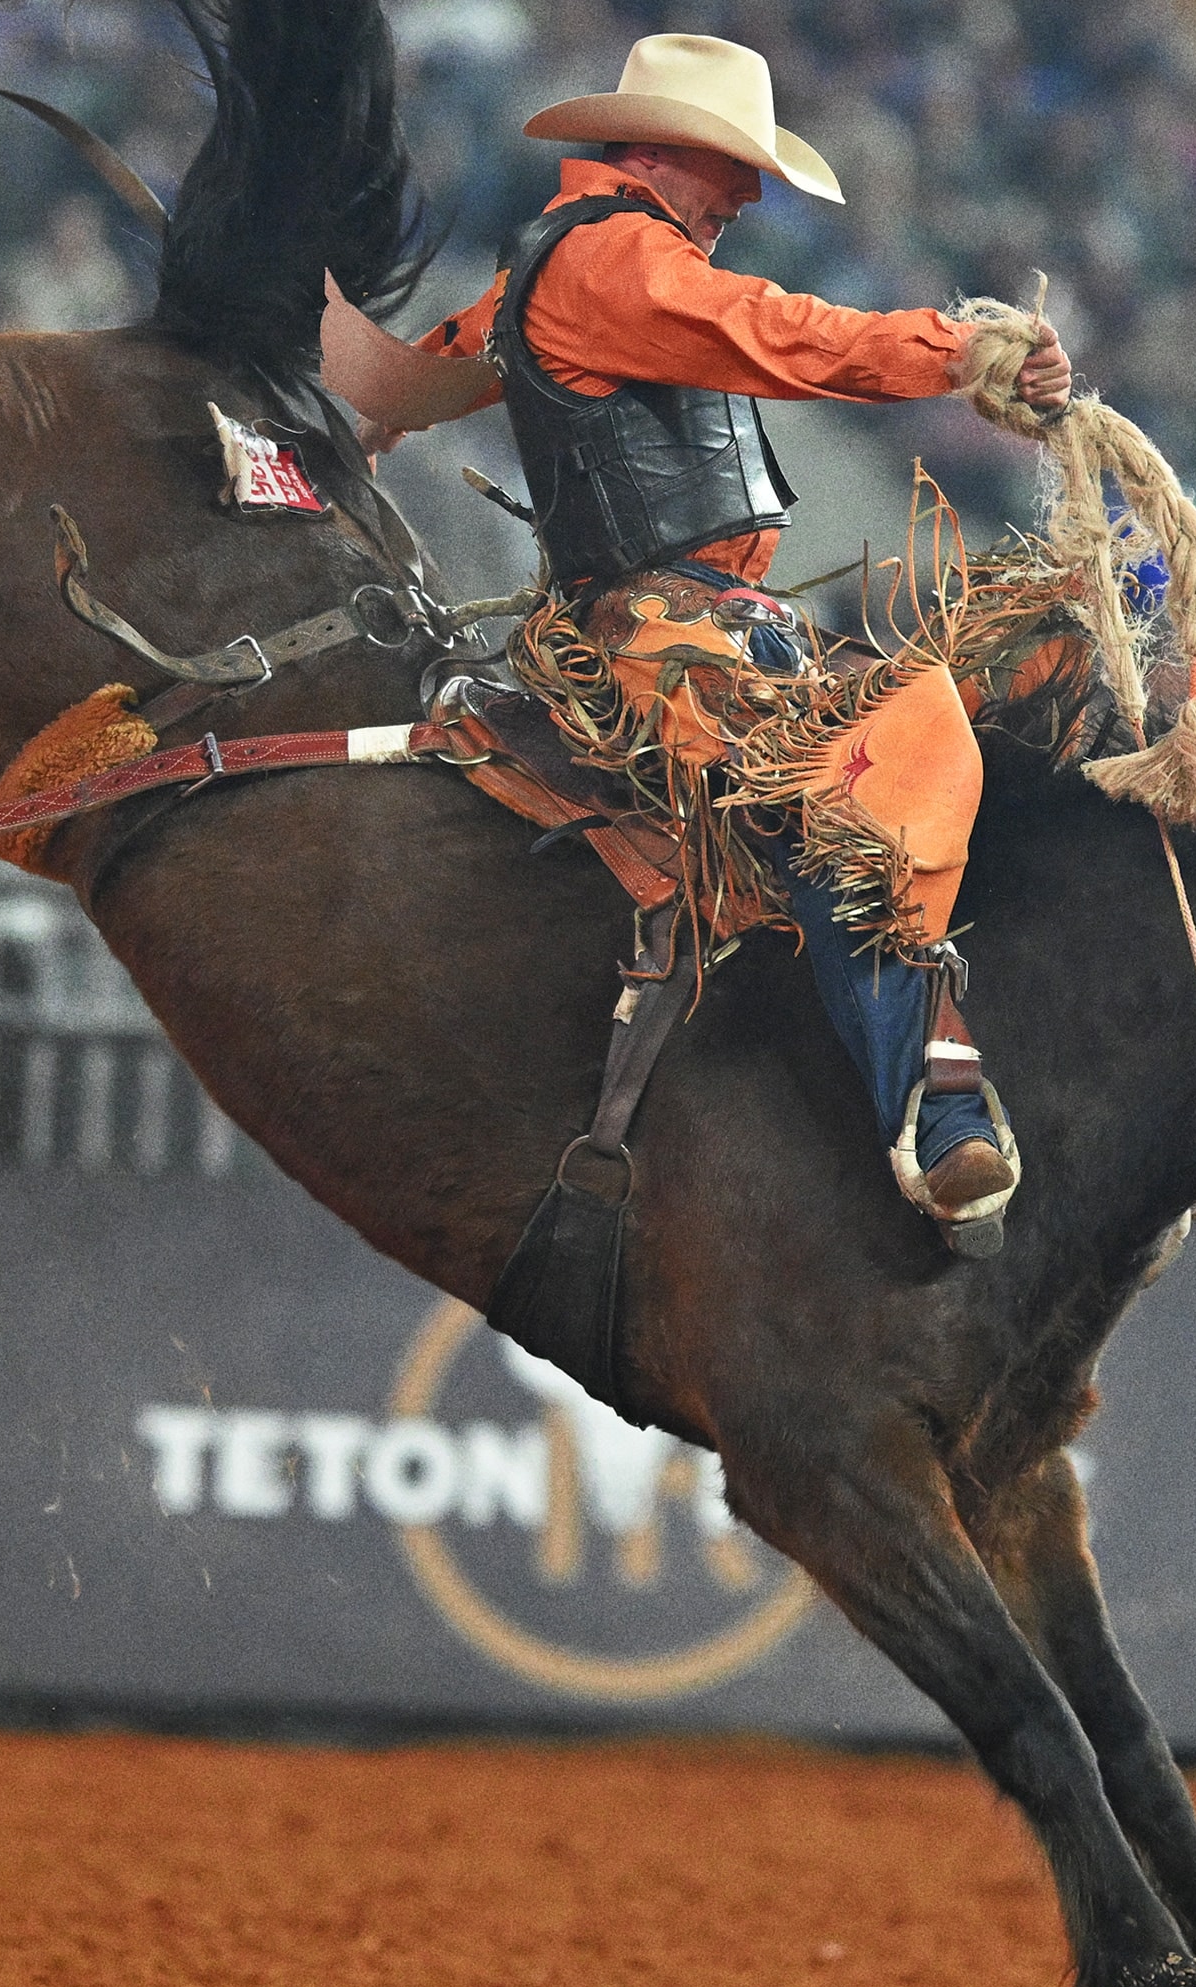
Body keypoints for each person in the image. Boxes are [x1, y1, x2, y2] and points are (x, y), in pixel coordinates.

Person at [378, 33, 1072, 1252]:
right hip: (663, 631)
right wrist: (955, 351)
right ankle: (931, 1101)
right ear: (667, 155)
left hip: (714, 620)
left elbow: (442, 365)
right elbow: (779, 332)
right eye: (733, 168)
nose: (747, 199)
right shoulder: (619, 262)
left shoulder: (583, 261)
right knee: (848, 785)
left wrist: (359, 407)